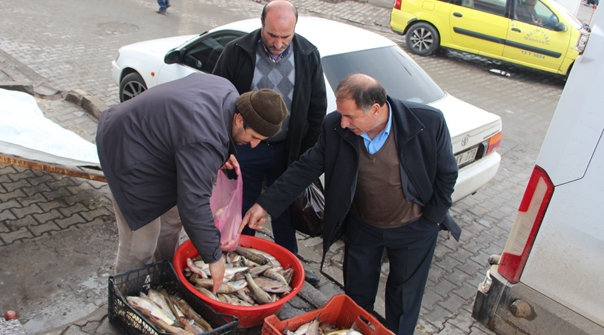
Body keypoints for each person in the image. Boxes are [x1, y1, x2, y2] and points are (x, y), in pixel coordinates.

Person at [241, 73, 461, 334]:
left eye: (351, 116)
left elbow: (447, 173)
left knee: (403, 303)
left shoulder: (426, 121)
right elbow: (305, 168)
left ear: (375, 109)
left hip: (414, 228)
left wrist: (432, 219)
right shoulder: (335, 127)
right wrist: (264, 205)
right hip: (363, 228)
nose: (343, 123)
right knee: (356, 299)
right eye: (341, 114)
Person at [96, 72, 288, 294]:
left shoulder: (228, 91)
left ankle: (164, 278)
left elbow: (196, 133)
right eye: (254, 137)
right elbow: (194, 204)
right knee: (141, 243)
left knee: (172, 222)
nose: (254, 145)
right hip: (127, 150)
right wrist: (214, 258)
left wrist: (223, 152)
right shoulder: (204, 138)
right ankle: (126, 299)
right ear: (239, 119)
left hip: (159, 148)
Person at [212, 0, 327, 284]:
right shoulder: (237, 51)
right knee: (244, 205)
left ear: (295, 30)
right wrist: (227, 147)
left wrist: (304, 154)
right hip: (244, 149)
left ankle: (291, 266)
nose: (277, 43)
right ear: (261, 24)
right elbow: (216, 96)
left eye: (285, 37)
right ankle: (241, 260)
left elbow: (316, 108)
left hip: (286, 151)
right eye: (271, 35)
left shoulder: (308, 55)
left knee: (284, 207)